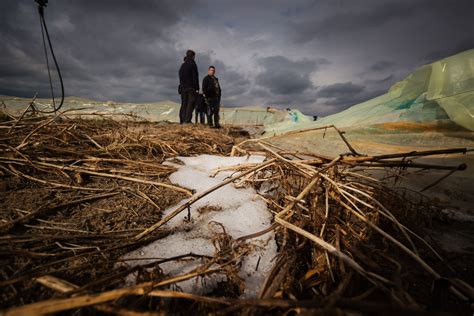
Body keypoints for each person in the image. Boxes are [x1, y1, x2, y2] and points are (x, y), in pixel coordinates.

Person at [178, 50, 199, 124]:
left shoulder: (182, 65)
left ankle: (183, 120)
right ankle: (187, 121)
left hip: (183, 88)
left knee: (184, 104)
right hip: (191, 87)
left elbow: (180, 77)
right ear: (193, 56)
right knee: (191, 104)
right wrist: (197, 88)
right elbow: (195, 76)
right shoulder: (192, 64)